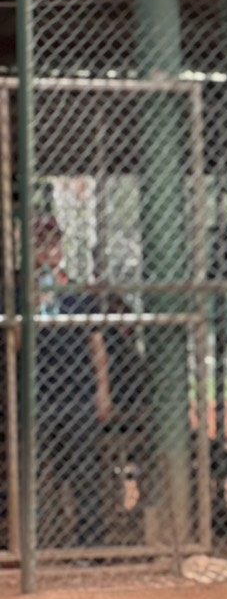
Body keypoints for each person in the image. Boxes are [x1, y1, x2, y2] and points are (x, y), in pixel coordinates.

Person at [33, 215, 113, 549]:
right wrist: (34, 306)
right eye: (41, 243)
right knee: (36, 471)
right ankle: (35, 543)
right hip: (38, 394)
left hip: (78, 392)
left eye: (54, 243)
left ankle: (90, 542)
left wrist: (102, 390)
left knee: (84, 470)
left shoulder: (76, 292)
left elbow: (96, 344)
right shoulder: (19, 292)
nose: (49, 250)